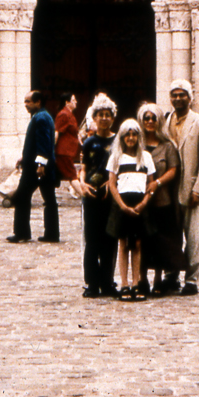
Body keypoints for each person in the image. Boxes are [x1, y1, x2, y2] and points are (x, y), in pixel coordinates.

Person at [164, 80, 199, 296]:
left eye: (182, 95)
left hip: (191, 189)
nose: (178, 99)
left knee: (194, 237)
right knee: (171, 234)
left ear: (190, 97)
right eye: (174, 95)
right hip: (170, 190)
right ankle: (171, 274)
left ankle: (192, 279)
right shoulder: (166, 122)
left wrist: (198, 189)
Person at [106, 119, 156, 302]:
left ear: (138, 137)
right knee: (123, 244)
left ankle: (136, 283)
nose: (131, 138)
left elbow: (151, 183)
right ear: (122, 137)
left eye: (134, 134)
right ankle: (124, 284)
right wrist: (122, 206)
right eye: (127, 134)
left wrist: (144, 202)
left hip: (139, 203)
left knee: (137, 245)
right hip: (123, 204)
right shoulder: (116, 158)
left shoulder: (146, 157)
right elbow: (112, 184)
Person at [137, 102, 182, 298]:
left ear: (159, 121)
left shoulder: (167, 146)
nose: (149, 122)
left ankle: (158, 279)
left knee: (161, 240)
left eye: (153, 118)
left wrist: (158, 183)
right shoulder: (134, 143)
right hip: (140, 201)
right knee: (142, 240)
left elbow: (173, 169)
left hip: (162, 201)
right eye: (146, 118)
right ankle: (141, 278)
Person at [78, 95, 118, 298]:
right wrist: (83, 184)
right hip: (92, 196)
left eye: (107, 115)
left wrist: (109, 186)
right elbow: (84, 167)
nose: (104, 118)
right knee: (92, 241)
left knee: (109, 240)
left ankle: (107, 281)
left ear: (113, 118)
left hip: (110, 196)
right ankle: (92, 283)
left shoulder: (118, 141)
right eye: (100, 115)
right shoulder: (89, 141)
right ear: (94, 117)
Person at [8, 91, 59, 243]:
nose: (26, 105)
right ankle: (52, 234)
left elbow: (43, 143)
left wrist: (40, 165)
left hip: (36, 169)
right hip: (40, 165)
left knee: (21, 198)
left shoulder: (41, 118)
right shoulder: (42, 116)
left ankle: (22, 233)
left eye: (28, 102)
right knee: (50, 200)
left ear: (38, 102)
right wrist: (25, 157)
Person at [54, 92, 83, 199]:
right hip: (63, 152)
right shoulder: (64, 114)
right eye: (73, 99)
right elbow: (56, 132)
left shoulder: (69, 114)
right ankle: (84, 196)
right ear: (67, 102)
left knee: (70, 174)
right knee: (72, 175)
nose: (76, 102)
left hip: (67, 152)